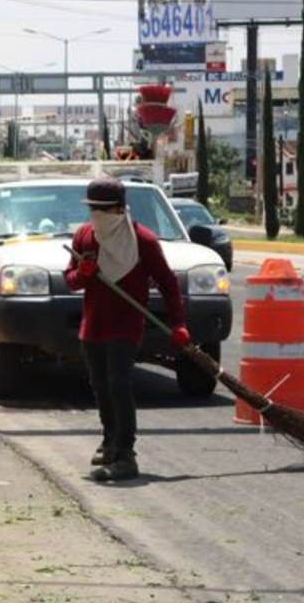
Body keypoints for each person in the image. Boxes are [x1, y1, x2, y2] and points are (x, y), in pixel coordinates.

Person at [65, 177, 190, 482]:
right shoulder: (84, 237)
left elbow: (168, 282)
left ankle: (125, 455)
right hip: (93, 324)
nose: (97, 215)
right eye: (92, 209)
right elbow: (70, 280)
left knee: (119, 384)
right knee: (100, 386)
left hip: (126, 324)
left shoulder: (143, 241)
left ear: (120, 209)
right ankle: (110, 441)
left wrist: (178, 323)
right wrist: (82, 274)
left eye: (104, 209)